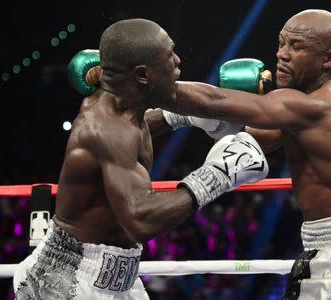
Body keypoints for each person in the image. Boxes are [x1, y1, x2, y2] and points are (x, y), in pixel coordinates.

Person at [13, 18, 268, 299]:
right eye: (169, 55)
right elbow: (140, 219)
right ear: (143, 75)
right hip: (68, 281)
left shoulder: (125, 108)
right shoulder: (106, 127)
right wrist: (218, 174)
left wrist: (180, 117)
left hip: (116, 277)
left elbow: (135, 130)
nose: (178, 61)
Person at [167, 9, 331, 299]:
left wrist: (147, 84)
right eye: (281, 43)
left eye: (297, 46)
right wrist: (181, 117)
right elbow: (250, 140)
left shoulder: (320, 105)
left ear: (329, 59)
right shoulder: (300, 112)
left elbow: (216, 100)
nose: (282, 54)